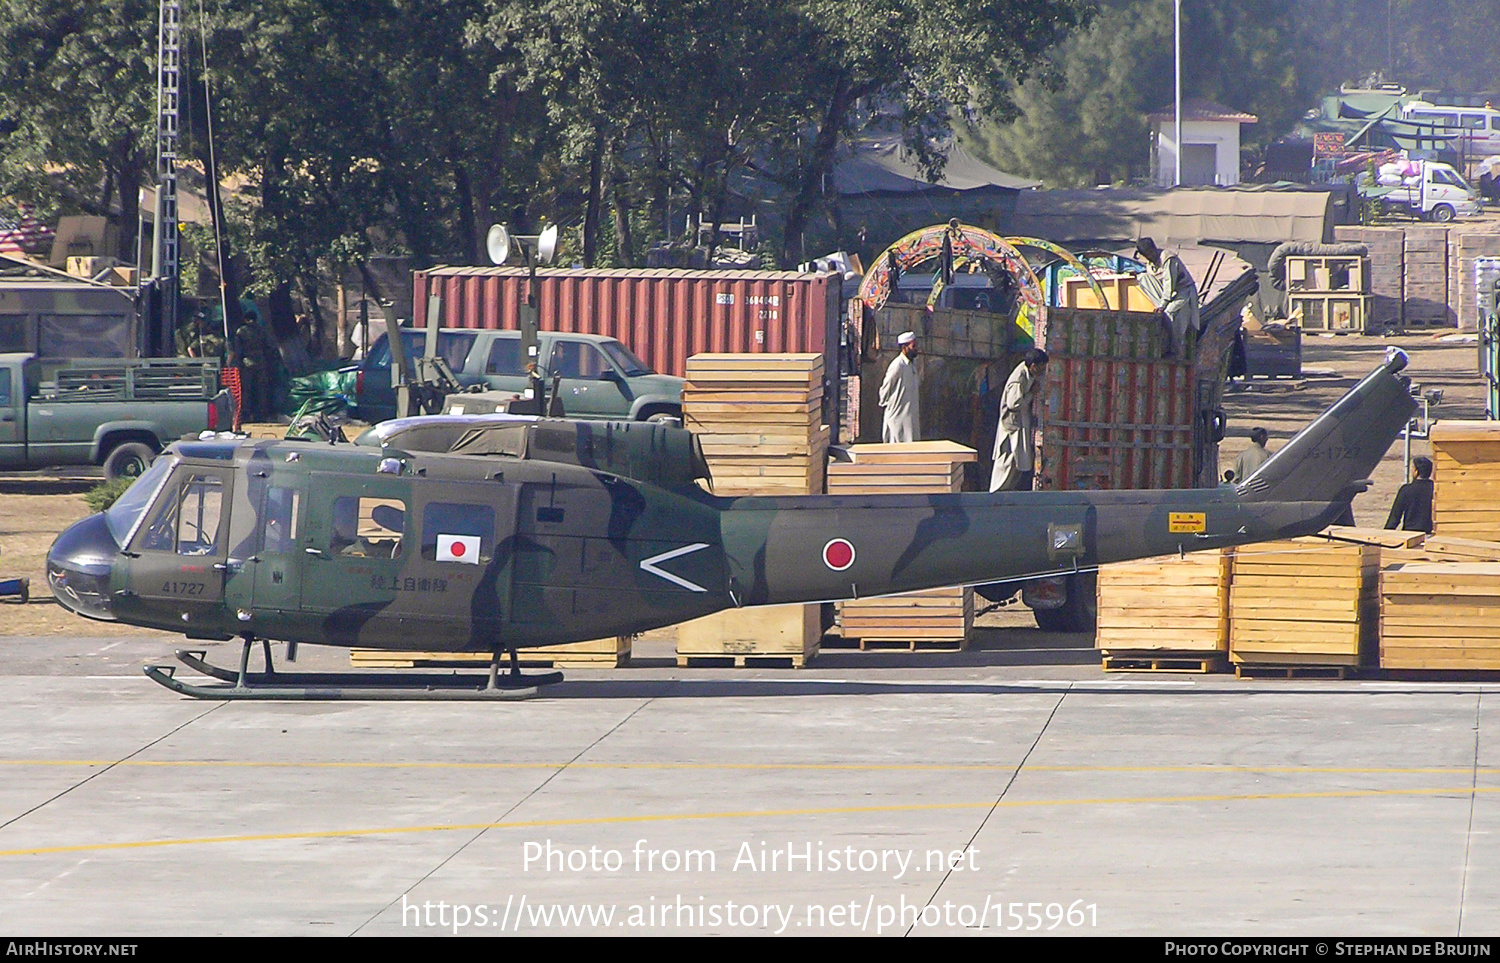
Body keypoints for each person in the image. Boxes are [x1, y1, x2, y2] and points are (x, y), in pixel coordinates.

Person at [990, 348, 1049, 492]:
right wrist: (1031, 394)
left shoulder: (1028, 373)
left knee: (1017, 464)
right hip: (1012, 428)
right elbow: (1013, 403)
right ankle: (995, 494)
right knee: (1007, 461)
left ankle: (1006, 494)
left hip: (1019, 425)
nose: (1043, 370)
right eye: (1041, 367)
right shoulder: (1019, 378)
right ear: (1033, 366)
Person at [1135, 237, 1199, 359]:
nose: (1150, 256)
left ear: (1154, 248)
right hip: (1168, 295)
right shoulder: (1150, 264)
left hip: (1184, 292)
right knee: (1142, 278)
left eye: (1151, 252)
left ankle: (1175, 349)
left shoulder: (1168, 258)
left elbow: (1170, 284)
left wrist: (1163, 305)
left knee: (1169, 313)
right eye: (1147, 255)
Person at [233, 309, 276, 422]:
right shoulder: (261, 330)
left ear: (246, 319)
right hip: (261, 362)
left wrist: (238, 363)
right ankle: (261, 415)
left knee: (247, 390)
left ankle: (246, 415)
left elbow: (238, 350)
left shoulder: (241, 331)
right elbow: (268, 346)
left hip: (247, 363)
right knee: (262, 390)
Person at [879, 331, 920, 443]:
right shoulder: (897, 365)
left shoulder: (912, 366)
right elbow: (885, 387)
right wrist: (887, 404)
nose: (916, 348)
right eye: (913, 346)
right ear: (904, 347)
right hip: (897, 417)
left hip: (910, 417)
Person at [1385, 456, 1435, 533]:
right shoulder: (1435, 488)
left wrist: (1386, 533)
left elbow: (1395, 516)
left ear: (1416, 471)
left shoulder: (1406, 490)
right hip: (1429, 533)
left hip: (1410, 533)